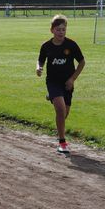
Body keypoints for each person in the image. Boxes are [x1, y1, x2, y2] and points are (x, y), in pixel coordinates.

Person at [36, 14, 85, 154]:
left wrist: (72, 79)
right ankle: (62, 142)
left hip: (67, 83)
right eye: (58, 29)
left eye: (63, 29)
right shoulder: (46, 46)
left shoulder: (71, 45)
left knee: (65, 114)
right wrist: (38, 68)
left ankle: (52, 96)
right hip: (53, 81)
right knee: (60, 110)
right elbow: (40, 60)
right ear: (52, 30)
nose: (61, 32)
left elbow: (82, 62)